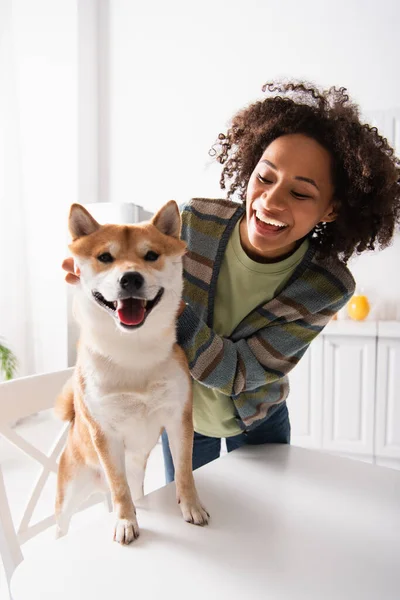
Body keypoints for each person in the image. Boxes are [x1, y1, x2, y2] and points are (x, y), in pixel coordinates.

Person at [63, 81, 400, 484]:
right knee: (196, 527)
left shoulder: (325, 285)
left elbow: (241, 373)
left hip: (259, 421)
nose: (271, 201)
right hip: (183, 415)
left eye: (300, 193)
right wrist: (102, 270)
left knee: (266, 518)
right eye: (266, 176)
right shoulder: (195, 224)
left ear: (330, 209)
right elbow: (136, 251)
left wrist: (171, 311)